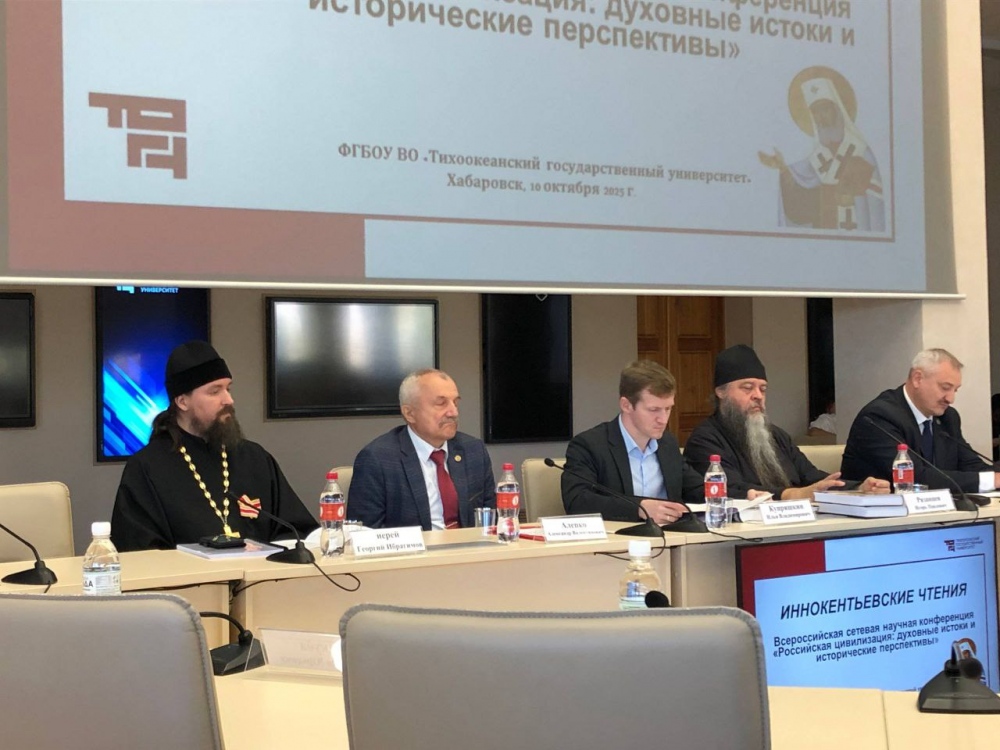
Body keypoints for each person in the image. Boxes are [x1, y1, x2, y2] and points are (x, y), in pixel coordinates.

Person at [111, 341, 317, 551]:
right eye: (214, 391)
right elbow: (141, 553)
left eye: (228, 388)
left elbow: (296, 533)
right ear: (182, 402)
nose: (228, 400)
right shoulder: (147, 468)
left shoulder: (255, 458)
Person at [685, 345, 889, 500]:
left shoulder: (776, 436)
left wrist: (858, 487)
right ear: (721, 392)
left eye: (763, 389)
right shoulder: (705, 439)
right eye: (747, 388)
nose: (758, 396)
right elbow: (731, 490)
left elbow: (812, 477)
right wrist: (793, 494)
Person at [350, 369, 496, 530]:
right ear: (409, 413)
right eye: (441, 403)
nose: (453, 412)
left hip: (471, 546)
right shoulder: (377, 459)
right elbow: (364, 533)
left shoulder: (473, 450)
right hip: (414, 547)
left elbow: (492, 520)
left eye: (455, 402)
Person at [561, 360, 702, 524]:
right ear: (626, 405)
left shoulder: (668, 444)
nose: (663, 419)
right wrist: (639, 508)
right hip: (618, 537)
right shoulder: (590, 445)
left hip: (671, 536)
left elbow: (696, 489)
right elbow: (577, 501)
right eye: (654, 410)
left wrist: (722, 495)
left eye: (668, 409)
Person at [841, 349, 998, 492]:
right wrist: (992, 480)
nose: (951, 399)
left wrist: (995, 477)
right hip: (880, 512)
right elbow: (914, 478)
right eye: (945, 388)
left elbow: (971, 466)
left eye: (955, 390)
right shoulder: (879, 416)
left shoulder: (947, 418)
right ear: (917, 379)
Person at [759, 67, 884, 232]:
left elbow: (876, 197)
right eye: (815, 112)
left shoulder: (861, 150)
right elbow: (801, 193)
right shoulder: (817, 157)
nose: (821, 117)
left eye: (825, 109)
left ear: (837, 110)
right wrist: (782, 168)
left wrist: (855, 198)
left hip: (857, 229)